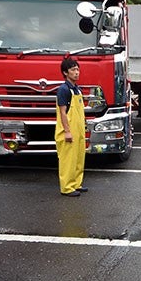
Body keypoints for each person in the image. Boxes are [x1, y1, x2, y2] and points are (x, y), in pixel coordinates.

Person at [55, 58, 88, 197]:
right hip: (68, 130)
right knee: (68, 160)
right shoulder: (64, 90)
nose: (76, 72)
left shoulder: (77, 89)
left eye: (77, 69)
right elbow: (62, 112)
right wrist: (67, 131)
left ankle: (76, 184)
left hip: (79, 129)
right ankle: (67, 187)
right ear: (65, 72)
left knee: (79, 158)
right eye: (73, 70)